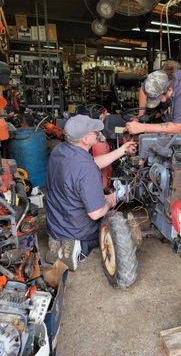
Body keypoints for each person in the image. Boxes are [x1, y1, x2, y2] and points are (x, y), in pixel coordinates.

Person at [45, 114, 136, 271]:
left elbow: (90, 164)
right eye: (94, 132)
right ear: (85, 140)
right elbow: (96, 214)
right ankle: (76, 246)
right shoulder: (86, 169)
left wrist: (122, 151)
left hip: (56, 222)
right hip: (78, 228)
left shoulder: (59, 150)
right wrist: (111, 200)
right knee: (109, 219)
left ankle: (58, 241)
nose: (97, 133)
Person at [126, 67, 181, 145]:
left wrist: (141, 127)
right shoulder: (162, 78)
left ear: (169, 90)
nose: (160, 101)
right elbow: (143, 89)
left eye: (159, 99)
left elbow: (179, 128)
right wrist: (140, 116)